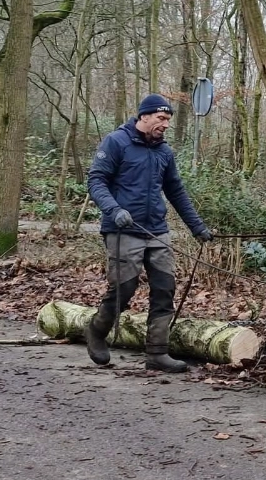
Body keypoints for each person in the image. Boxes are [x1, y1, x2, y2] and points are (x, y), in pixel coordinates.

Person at [85, 93, 213, 372]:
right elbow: (96, 180)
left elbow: (176, 191)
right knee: (124, 288)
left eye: (167, 120)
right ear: (144, 116)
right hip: (123, 229)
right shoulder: (116, 142)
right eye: (161, 118)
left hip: (157, 231)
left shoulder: (164, 152)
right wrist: (114, 209)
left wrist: (197, 227)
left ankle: (157, 352)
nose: (165, 124)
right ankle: (96, 330)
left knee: (165, 289)